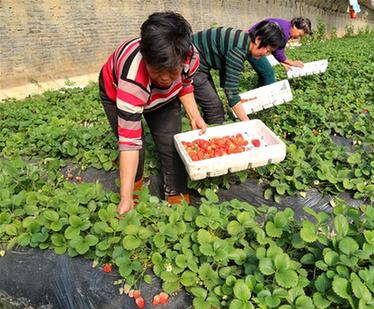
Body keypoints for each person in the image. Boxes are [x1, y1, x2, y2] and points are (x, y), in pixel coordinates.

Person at [98, 12, 206, 216]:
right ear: (145, 57)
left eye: (172, 71)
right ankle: (134, 194)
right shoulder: (132, 78)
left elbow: (185, 84)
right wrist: (125, 197)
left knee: (171, 143)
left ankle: (177, 198)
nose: (165, 78)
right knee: (135, 150)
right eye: (157, 70)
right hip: (115, 91)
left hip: (163, 99)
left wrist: (194, 115)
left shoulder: (191, 58)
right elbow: (129, 144)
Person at [192, 21, 286, 124]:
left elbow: (226, 69)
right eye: (267, 50)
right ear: (258, 40)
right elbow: (231, 90)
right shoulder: (238, 50)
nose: (266, 55)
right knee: (215, 110)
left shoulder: (243, 40)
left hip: (198, 59)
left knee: (214, 104)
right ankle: (209, 134)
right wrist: (248, 123)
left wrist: (229, 92)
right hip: (190, 61)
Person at [248, 17, 313, 87]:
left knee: (265, 73)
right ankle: (267, 94)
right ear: (294, 26)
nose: (298, 37)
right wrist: (292, 63)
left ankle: (260, 93)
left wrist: (283, 63)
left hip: (253, 43)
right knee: (269, 73)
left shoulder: (286, 26)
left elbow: (275, 50)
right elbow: (279, 54)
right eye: (299, 34)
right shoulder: (284, 31)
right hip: (253, 45)